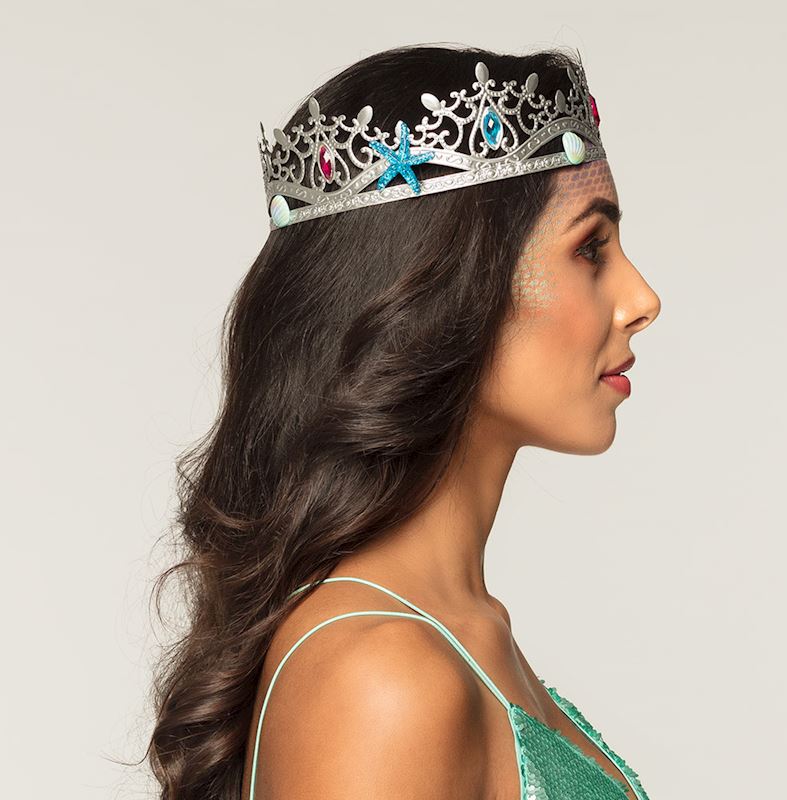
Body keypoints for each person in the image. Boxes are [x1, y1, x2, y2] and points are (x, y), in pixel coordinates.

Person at [146, 43, 661, 800]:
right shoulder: (381, 674)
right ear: (450, 288)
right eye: (590, 248)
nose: (643, 300)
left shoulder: (464, 632)